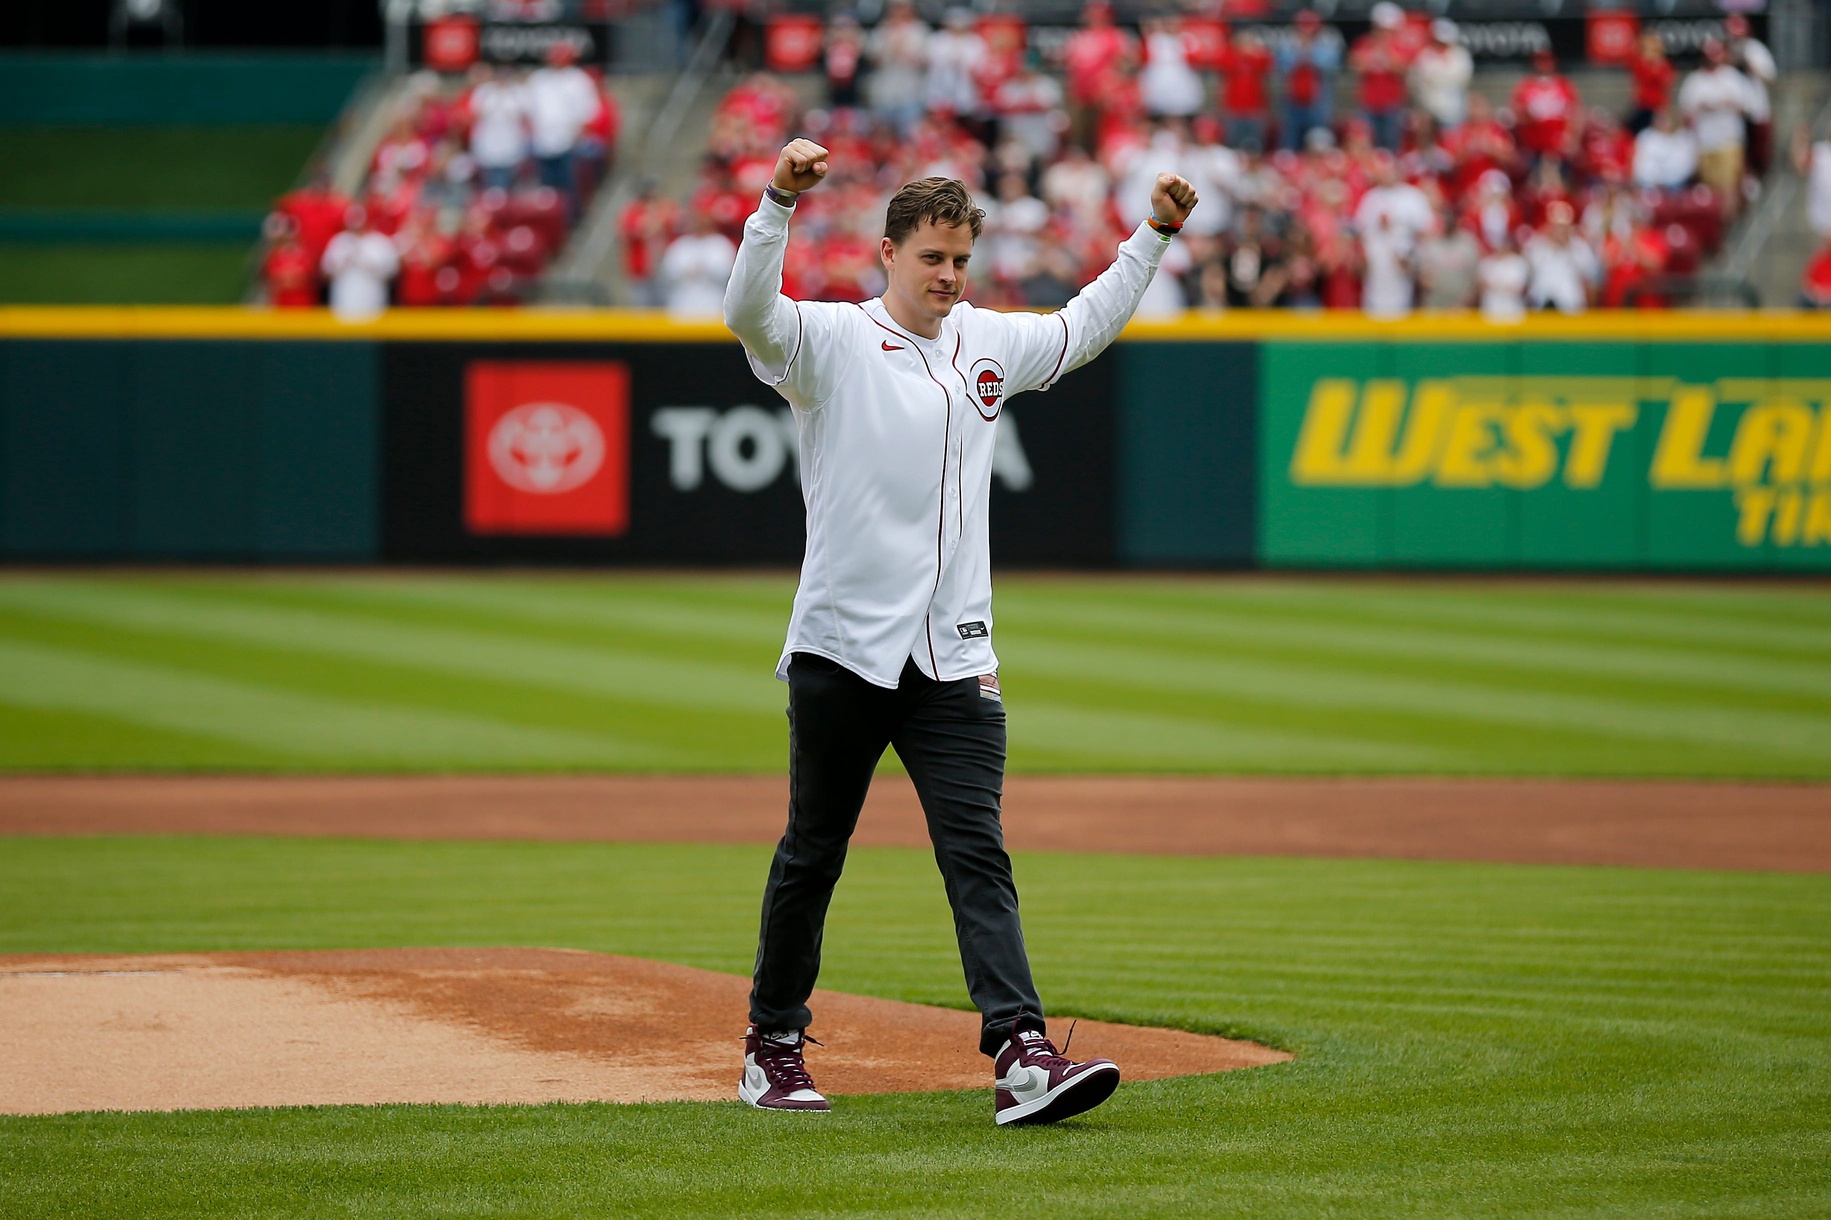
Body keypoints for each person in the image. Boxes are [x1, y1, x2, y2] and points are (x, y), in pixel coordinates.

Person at [722, 138, 1197, 1124]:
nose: (947, 275)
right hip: (842, 648)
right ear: (887, 253)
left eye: (960, 259)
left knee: (976, 850)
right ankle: (771, 1043)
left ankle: (1023, 1052)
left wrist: (1152, 235)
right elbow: (747, 315)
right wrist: (774, 202)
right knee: (815, 849)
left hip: (955, 659)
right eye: (931, 256)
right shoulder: (833, 342)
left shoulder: (984, 342)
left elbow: (1082, 327)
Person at [1679, 39, 1754, 218]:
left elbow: (1748, 108)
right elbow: (1685, 114)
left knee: (1729, 185)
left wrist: (1729, 104)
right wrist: (1702, 108)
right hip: (1705, 142)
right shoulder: (1695, 81)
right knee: (1710, 188)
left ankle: (1729, 225)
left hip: (1729, 140)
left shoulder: (1732, 77)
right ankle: (1717, 227)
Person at [525, 43, 600, 221]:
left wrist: (578, 134)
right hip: (542, 141)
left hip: (569, 142)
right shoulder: (539, 79)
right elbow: (529, 109)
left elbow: (589, 111)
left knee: (570, 186)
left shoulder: (578, 80)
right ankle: (552, 220)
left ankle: (571, 221)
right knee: (547, 188)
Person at [321, 205, 399, 323]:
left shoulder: (379, 241)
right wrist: (345, 261)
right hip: (343, 306)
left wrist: (367, 262)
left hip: (373, 305)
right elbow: (325, 273)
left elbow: (392, 272)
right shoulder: (339, 241)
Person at [1351, 2, 1411, 152]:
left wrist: (1385, 52)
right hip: (1368, 102)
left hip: (1391, 103)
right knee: (1367, 144)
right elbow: (1356, 65)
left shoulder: (1398, 45)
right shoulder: (1365, 43)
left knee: (1390, 145)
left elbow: (1402, 68)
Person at [1277, 10, 1339, 153]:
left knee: (1319, 139)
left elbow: (1331, 64)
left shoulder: (1326, 41)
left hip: (1317, 101)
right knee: (1291, 140)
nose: (1306, 32)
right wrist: (1300, 54)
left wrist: (1309, 54)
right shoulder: (1288, 42)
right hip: (1293, 100)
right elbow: (1282, 64)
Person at [1523, 200, 1597, 313]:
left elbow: (1590, 271)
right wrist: (1550, 243)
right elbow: (1529, 265)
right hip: (1542, 301)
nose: (1560, 231)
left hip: (1570, 303)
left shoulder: (1579, 246)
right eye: (1557, 226)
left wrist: (1568, 247)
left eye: (1563, 227)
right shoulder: (1538, 244)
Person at [659, 211, 737, 318]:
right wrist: (687, 271)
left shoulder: (721, 244)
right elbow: (669, 271)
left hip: (712, 298)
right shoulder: (681, 245)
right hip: (683, 300)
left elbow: (727, 271)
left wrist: (706, 269)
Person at [466, 65, 530, 194]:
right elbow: (475, 115)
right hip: (488, 143)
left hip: (510, 143)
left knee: (507, 181)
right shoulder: (484, 91)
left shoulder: (518, 92)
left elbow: (526, 117)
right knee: (489, 181)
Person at [1511, 51, 1580, 168]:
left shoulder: (1564, 85)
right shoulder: (1525, 86)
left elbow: (1576, 113)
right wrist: (1529, 117)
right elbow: (1517, 113)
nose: (1544, 64)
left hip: (1560, 145)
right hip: (1533, 145)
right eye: (1540, 61)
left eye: (1547, 61)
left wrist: (1574, 138)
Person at [1409, 20, 1471, 132]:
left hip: (1453, 111)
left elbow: (1461, 78)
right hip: (1429, 112)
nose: (1442, 45)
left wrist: (1436, 76)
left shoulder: (1460, 56)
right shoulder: (1425, 55)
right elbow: (1417, 81)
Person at [1634, 106, 1698, 193]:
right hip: (1650, 185)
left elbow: (1687, 167)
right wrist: (1654, 180)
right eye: (1660, 119)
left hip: (1678, 185)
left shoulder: (1685, 138)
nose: (1663, 123)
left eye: (1665, 119)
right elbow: (1641, 165)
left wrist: (1667, 180)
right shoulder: (1647, 137)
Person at [1627, 32, 1674, 134]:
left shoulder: (1664, 66)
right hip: (1642, 106)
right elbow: (1631, 59)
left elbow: (1666, 82)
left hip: (1657, 107)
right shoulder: (1640, 63)